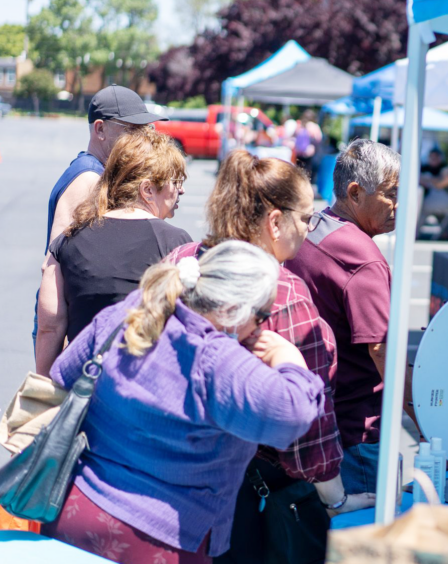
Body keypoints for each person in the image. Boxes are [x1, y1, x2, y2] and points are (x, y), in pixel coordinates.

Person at [42, 241, 325, 563]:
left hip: (75, 509)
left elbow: (63, 374)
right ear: (233, 311)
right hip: (156, 537)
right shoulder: (217, 360)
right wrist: (288, 359)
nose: (260, 327)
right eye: (260, 316)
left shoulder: (128, 313)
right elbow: (294, 416)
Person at [164, 151, 369, 559]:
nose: (310, 230)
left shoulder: (183, 261)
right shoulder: (282, 292)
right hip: (251, 500)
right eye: (306, 218)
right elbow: (306, 427)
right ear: (275, 222)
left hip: (172, 482)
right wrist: (336, 499)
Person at [285, 139, 413, 496]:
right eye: (391, 193)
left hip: (319, 422)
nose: (399, 205)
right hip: (358, 433)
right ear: (355, 193)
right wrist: (424, 423)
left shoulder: (316, 228)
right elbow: (382, 350)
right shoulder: (364, 260)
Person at [36, 129, 192, 376]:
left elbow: (49, 327)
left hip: (81, 385)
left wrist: (45, 390)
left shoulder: (67, 240)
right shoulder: (177, 243)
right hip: (142, 389)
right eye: (175, 182)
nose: (180, 191)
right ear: (147, 190)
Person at [35, 84, 166, 345]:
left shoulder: (99, 173)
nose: (140, 138)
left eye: (144, 129)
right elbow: (55, 267)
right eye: (131, 129)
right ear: (100, 129)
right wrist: (58, 350)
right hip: (68, 333)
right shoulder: (88, 178)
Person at [418, 148, 448, 237]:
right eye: (431, 157)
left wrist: (427, 179)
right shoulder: (425, 167)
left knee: (422, 206)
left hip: (445, 200)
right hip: (437, 198)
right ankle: (444, 233)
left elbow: (439, 185)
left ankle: (414, 233)